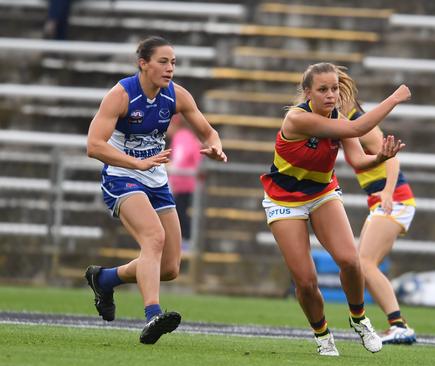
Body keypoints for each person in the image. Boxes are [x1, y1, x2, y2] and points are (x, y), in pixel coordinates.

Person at [260, 62, 410, 356]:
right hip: (283, 200)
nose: (331, 95)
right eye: (323, 89)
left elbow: (358, 161)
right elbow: (357, 126)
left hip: (322, 193)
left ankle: (359, 318)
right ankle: (322, 334)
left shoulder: (338, 119)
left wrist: (379, 156)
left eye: (335, 89)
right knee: (305, 281)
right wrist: (393, 99)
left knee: (351, 261)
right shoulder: (296, 118)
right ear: (307, 92)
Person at [85, 36, 227, 344]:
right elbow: (94, 146)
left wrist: (215, 145)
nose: (170, 68)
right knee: (154, 237)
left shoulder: (177, 95)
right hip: (122, 175)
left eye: (173, 62)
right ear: (143, 64)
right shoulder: (122, 95)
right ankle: (153, 315)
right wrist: (135, 164)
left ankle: (104, 279)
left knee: (170, 267)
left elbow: (208, 131)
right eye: (163, 62)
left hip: (155, 179)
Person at [338, 80, 417, 345]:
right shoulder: (347, 126)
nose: (332, 98)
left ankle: (398, 325)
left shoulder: (361, 124)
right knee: (364, 265)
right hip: (384, 200)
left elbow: (391, 156)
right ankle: (397, 324)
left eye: (336, 92)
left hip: (393, 199)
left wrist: (387, 192)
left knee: (365, 263)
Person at [166, 114, 203, 250]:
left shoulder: (181, 137)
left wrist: (169, 167)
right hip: (185, 182)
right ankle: (183, 241)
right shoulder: (188, 136)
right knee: (180, 211)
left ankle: (185, 242)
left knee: (180, 212)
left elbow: (180, 159)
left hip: (183, 183)